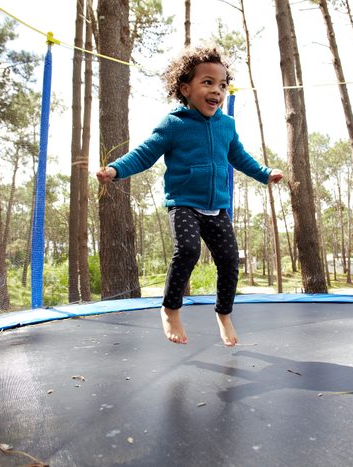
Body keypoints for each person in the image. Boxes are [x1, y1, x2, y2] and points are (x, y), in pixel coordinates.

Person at [96, 46, 283, 347]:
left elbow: (240, 156)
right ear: (185, 88)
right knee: (187, 250)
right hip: (183, 202)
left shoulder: (227, 126)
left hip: (217, 207)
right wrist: (116, 170)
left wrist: (264, 173)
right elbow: (145, 154)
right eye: (207, 82)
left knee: (229, 261)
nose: (217, 91)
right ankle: (170, 308)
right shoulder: (174, 124)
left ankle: (223, 313)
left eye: (222, 85)